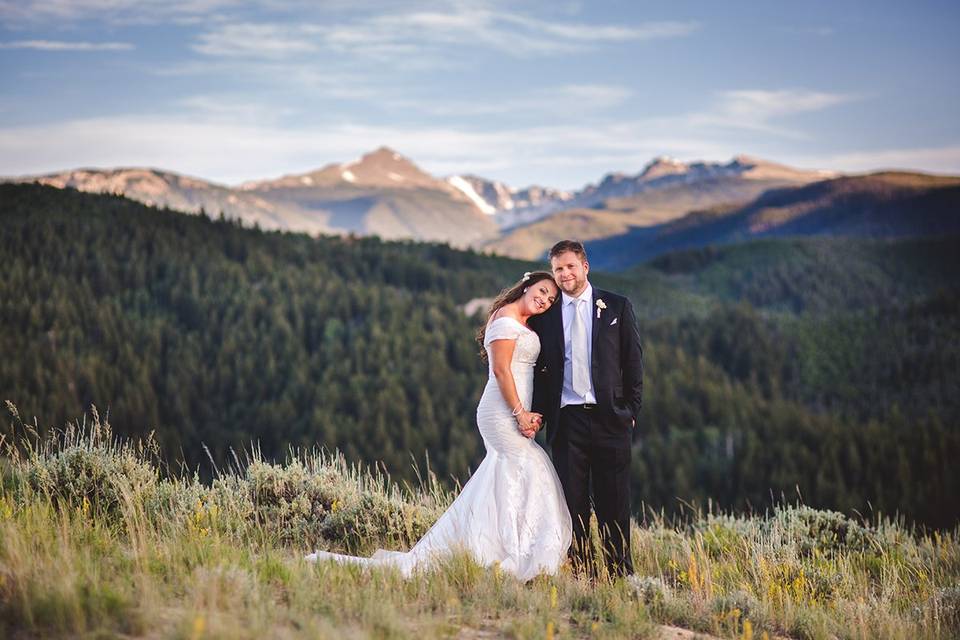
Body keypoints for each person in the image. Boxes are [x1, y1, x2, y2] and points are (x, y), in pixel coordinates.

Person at [306, 271, 572, 581]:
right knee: (527, 468)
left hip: (517, 412)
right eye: (541, 290)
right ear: (527, 286)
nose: (545, 299)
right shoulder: (505, 318)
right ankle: (506, 553)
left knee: (508, 476)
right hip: (502, 412)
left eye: (551, 298)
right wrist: (518, 412)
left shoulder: (524, 322)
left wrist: (531, 413)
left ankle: (500, 551)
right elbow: (501, 371)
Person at [529, 240, 643, 579]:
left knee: (614, 503)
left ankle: (619, 575)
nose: (564, 275)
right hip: (568, 421)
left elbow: (633, 362)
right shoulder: (546, 316)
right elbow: (539, 369)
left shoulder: (617, 307)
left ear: (585, 267)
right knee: (572, 504)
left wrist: (630, 410)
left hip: (611, 419)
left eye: (570, 267)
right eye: (558, 269)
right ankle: (583, 573)